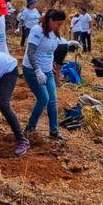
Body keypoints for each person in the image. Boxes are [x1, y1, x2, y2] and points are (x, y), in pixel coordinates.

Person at [23, 9, 68, 140]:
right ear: (50, 20)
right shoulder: (37, 31)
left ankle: (54, 132)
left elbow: (50, 51)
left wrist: (52, 66)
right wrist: (37, 70)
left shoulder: (54, 33)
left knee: (53, 101)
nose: (58, 27)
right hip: (33, 70)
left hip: (47, 71)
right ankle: (30, 128)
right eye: (58, 24)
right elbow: (30, 52)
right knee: (44, 99)